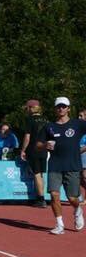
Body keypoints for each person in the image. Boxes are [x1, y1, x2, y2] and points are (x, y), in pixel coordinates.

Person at [36, 96, 86, 234]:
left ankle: (77, 209)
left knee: (72, 198)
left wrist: (83, 148)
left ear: (69, 109)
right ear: (55, 109)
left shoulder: (78, 124)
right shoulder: (49, 127)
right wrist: (45, 144)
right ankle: (59, 225)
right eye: (59, 106)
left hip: (72, 165)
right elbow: (38, 144)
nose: (61, 108)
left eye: (64, 106)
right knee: (54, 194)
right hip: (55, 165)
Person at [20, 99, 49, 207]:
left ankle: (41, 199)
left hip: (33, 149)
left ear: (31, 108)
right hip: (44, 149)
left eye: (27, 108)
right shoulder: (46, 120)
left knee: (36, 174)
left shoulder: (30, 119)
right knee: (41, 174)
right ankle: (40, 197)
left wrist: (23, 150)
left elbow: (27, 137)